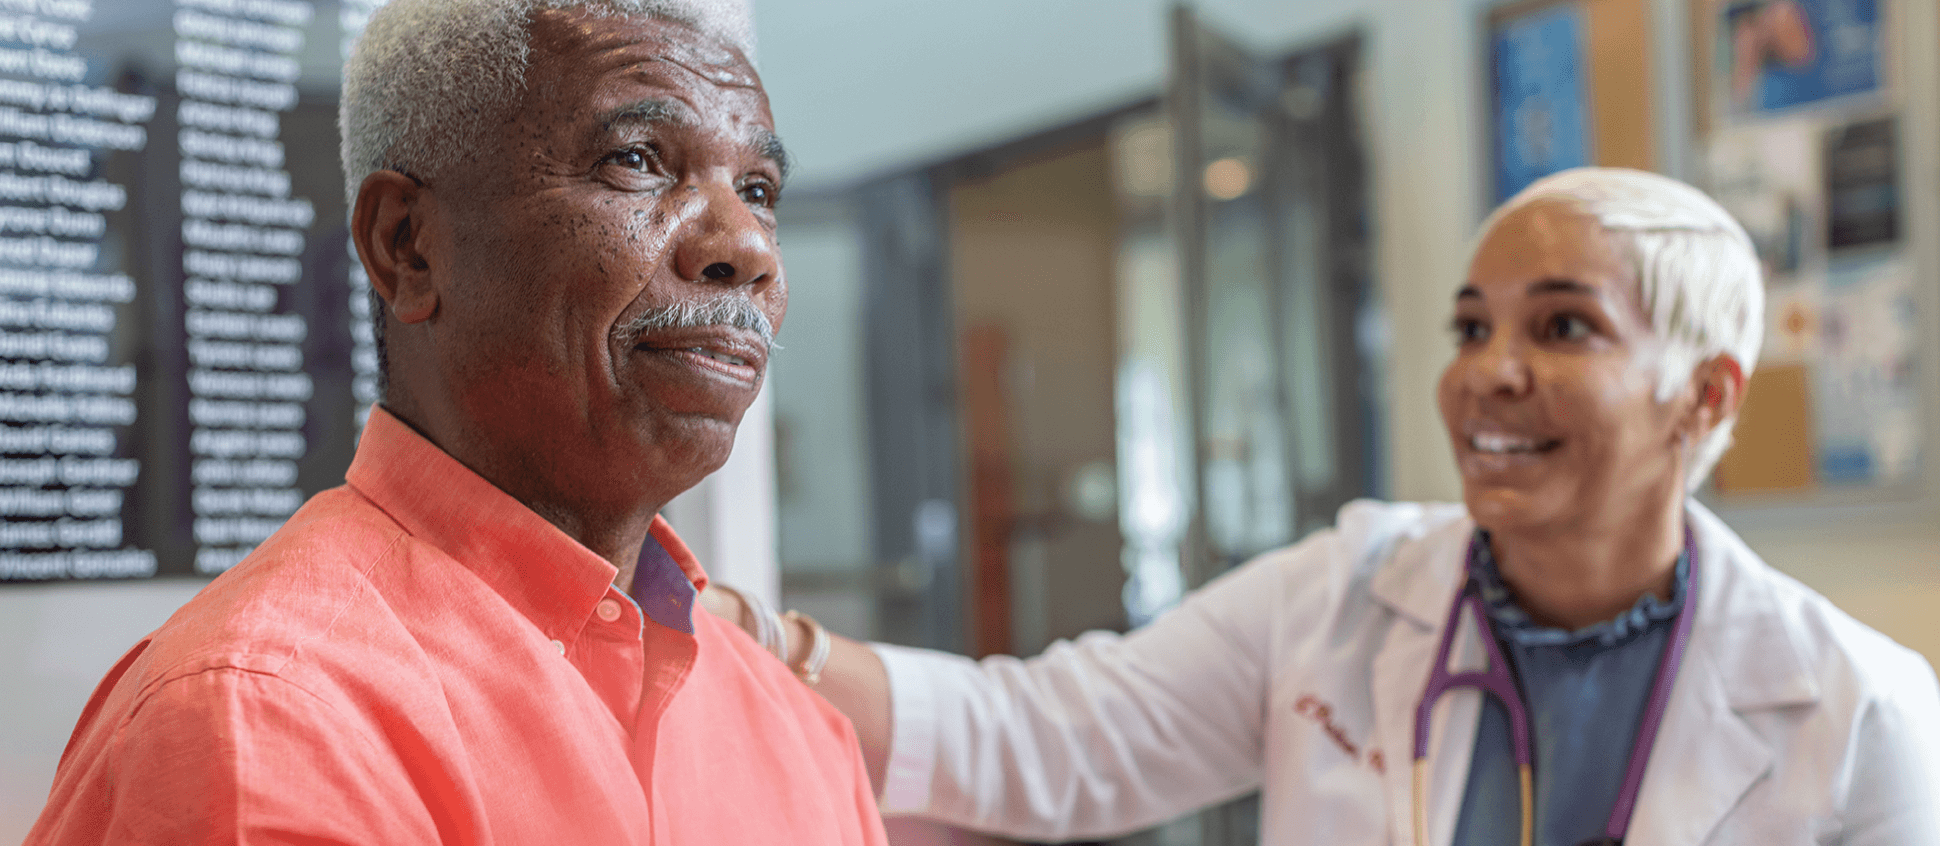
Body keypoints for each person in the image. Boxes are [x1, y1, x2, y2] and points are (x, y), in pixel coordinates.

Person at [708, 168, 1940, 844]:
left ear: (1701, 393)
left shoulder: (1857, 710)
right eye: (1471, 326)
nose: (1487, 373)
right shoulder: (1344, 591)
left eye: (1562, 326)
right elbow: (1049, 737)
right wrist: (751, 640)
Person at [27, 1, 887, 843]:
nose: (748, 246)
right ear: (407, 246)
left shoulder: (798, 734)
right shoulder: (267, 719)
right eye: (635, 159)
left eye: (759, 188)